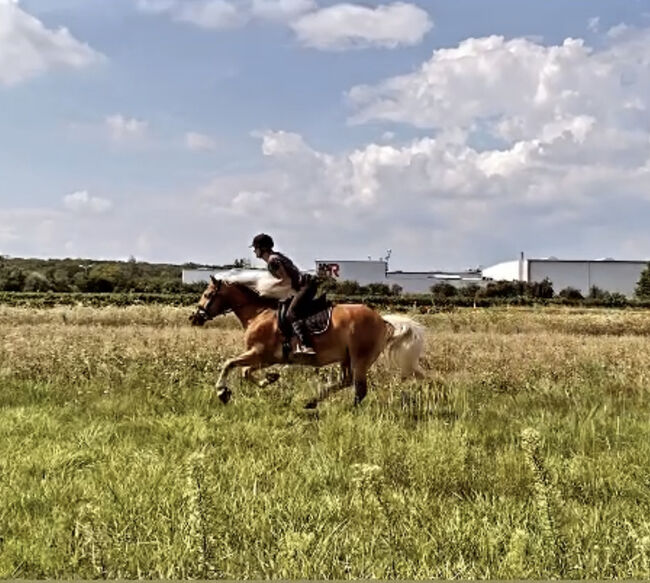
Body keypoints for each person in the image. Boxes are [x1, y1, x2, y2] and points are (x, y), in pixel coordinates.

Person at [250, 233, 318, 355]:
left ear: (262, 248)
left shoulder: (272, 261)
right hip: (302, 285)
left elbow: (286, 281)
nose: (254, 251)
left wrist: (267, 289)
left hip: (305, 286)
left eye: (256, 248)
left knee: (291, 313)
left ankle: (306, 345)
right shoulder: (276, 257)